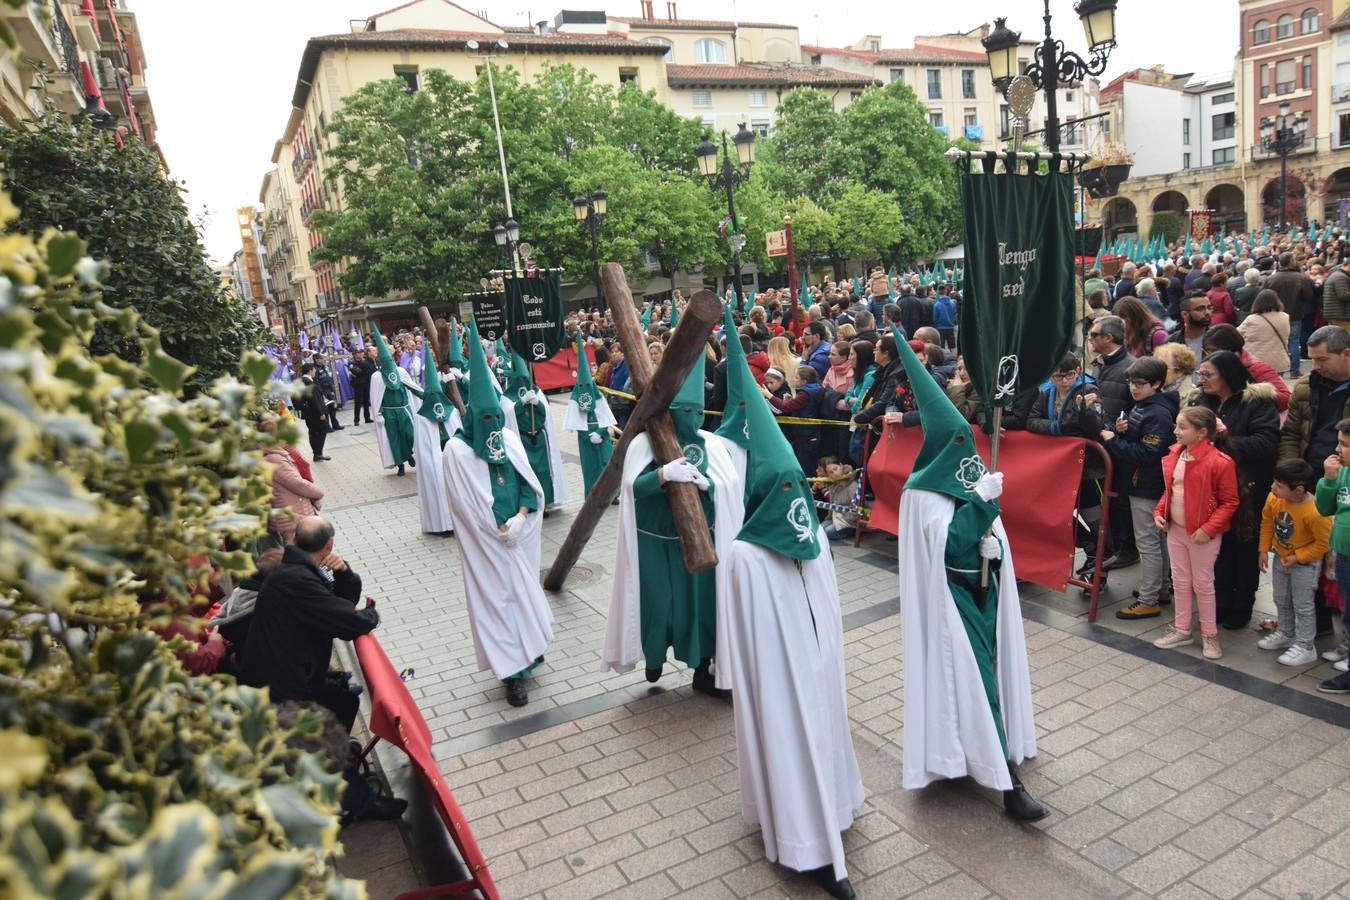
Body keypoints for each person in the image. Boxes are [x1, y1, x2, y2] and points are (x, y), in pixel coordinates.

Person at [717, 349, 863, 900]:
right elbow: (745, 635)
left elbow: (824, 602)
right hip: (777, 679)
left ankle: (837, 806)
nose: (793, 506)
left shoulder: (816, 543)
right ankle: (807, 842)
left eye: (796, 492)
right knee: (789, 742)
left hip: (818, 665)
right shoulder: (744, 556)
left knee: (825, 729)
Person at [893, 334, 1042, 821]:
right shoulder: (922, 491)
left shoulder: (967, 473)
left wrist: (995, 548)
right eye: (957, 442)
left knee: (988, 678)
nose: (966, 449)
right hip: (954, 601)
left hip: (988, 592)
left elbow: (988, 539)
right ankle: (1006, 784)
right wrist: (981, 503)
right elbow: (953, 543)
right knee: (976, 681)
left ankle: (972, 751)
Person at [243, 516, 405, 820]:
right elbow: (349, 622)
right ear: (329, 543)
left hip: (287, 675)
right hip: (283, 686)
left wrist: (343, 572)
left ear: (293, 540)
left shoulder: (296, 570)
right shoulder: (296, 580)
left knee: (344, 699)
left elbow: (336, 606)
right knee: (323, 736)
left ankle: (331, 761)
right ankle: (359, 801)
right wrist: (370, 615)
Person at [602, 355, 743, 696]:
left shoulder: (712, 444)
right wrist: (662, 475)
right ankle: (654, 658)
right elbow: (631, 487)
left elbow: (730, 486)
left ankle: (702, 668)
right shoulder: (644, 443)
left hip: (700, 542)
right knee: (658, 604)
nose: (692, 418)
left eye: (698, 411)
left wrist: (711, 486)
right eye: (685, 411)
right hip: (654, 542)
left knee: (701, 607)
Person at [440, 318, 553, 707]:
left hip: (516, 535)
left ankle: (530, 654)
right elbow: (462, 501)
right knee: (497, 602)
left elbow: (526, 481)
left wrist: (521, 518)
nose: (491, 425)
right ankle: (511, 673)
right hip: (486, 543)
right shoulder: (455, 450)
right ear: (471, 416)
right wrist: (494, 530)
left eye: (495, 418)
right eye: (483, 420)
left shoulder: (505, 437)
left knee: (522, 597)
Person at [1190, 351, 1281, 629]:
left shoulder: (1257, 402)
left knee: (1243, 546)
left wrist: (1223, 440)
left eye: (1208, 374)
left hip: (1247, 486)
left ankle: (1242, 605)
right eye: (1200, 374)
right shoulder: (1202, 401)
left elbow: (1265, 443)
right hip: (1211, 487)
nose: (1201, 380)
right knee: (1219, 547)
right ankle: (1220, 601)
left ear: (1227, 375)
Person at [1151, 407, 1240, 660]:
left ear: (1201, 433)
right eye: (1177, 426)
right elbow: (1171, 491)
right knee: (1179, 581)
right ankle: (1182, 629)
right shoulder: (1176, 455)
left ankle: (1210, 634)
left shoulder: (1220, 462)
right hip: (1176, 530)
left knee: (1203, 584)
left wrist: (1208, 529)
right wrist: (1160, 511)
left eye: (1182, 427)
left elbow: (1230, 502)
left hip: (1201, 534)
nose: (1175, 431)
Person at [1101, 357, 1180, 619]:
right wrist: (1121, 430)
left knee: (1148, 542)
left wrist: (1113, 440)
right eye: (1131, 383)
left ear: (1157, 384)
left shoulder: (1156, 412)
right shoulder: (1143, 406)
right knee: (1156, 540)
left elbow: (1149, 453)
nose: (1134, 388)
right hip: (1141, 482)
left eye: (1140, 383)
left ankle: (1149, 599)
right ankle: (1160, 590)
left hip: (1146, 484)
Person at [1257, 458, 1330, 666]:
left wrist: (1299, 557)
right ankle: (1286, 633)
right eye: (1274, 482)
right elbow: (1267, 523)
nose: (1273, 488)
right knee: (1280, 598)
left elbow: (1324, 543)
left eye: (1279, 486)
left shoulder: (1316, 511)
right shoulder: (1274, 499)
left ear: (1298, 490)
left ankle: (1306, 645)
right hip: (1281, 559)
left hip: (1304, 565)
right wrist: (1263, 550)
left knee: (1303, 605)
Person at [502, 349, 568, 512]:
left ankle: (546, 502)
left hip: (539, 438)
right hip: (522, 439)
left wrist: (538, 403)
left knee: (543, 471)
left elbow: (546, 414)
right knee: (527, 472)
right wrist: (520, 404)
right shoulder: (506, 396)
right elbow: (506, 416)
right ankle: (531, 504)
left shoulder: (536, 390)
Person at [1316, 420, 1350, 692]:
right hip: (1343, 555)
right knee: (1347, 612)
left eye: (1345, 445)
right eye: (1339, 442)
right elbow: (1325, 507)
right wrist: (1328, 480)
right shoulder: (1340, 472)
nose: (1338, 450)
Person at [562, 333, 616, 497]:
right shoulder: (576, 397)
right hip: (586, 438)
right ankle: (592, 494)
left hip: (602, 435)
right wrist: (587, 435)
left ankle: (612, 494)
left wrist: (599, 433)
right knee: (590, 467)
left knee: (607, 464)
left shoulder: (598, 396)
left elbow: (606, 418)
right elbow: (575, 422)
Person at [411, 344, 457, 534]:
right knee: (436, 489)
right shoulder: (421, 417)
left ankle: (456, 523)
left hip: (449, 455)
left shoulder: (452, 412)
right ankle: (439, 524)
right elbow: (421, 446)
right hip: (432, 459)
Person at [1201, 324, 1290, 412]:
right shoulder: (1210, 366)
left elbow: (1285, 399)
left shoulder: (1256, 368)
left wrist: (1251, 392)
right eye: (1206, 351)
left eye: (1213, 351)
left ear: (1230, 349)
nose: (1209, 356)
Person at [368, 329, 417, 477]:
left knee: (409, 434)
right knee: (394, 439)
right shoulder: (376, 377)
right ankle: (400, 464)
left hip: (403, 409)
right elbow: (375, 398)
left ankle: (410, 455)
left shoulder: (401, 372)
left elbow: (413, 387)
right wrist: (378, 414)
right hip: (388, 413)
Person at [263, 430, 324, 544]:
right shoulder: (275, 459)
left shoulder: (279, 456)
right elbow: (297, 483)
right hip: (293, 517)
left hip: (296, 514)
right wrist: (318, 493)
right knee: (301, 552)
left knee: (308, 552)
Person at [1267, 252, 1313, 376]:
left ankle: (1279, 370)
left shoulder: (1272, 278)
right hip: (1295, 314)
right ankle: (1294, 370)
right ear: (1291, 261)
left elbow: (1264, 296)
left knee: (1278, 342)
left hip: (1276, 315)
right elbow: (1308, 295)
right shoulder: (1301, 277)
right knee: (1293, 341)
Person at [1237, 290, 1291, 375]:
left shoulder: (1251, 319)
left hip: (1256, 361)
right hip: (1278, 360)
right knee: (1276, 386)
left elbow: (1236, 334)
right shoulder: (1285, 317)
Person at [298, 363, 331, 462]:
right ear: (310, 371)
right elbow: (314, 400)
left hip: (307, 412)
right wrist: (320, 413)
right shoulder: (308, 383)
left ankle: (316, 453)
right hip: (314, 413)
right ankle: (318, 453)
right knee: (322, 429)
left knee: (312, 432)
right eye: (314, 370)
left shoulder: (300, 381)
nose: (315, 371)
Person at [1168, 292, 1213, 360]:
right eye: (1200, 309)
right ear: (1185, 314)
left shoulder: (1218, 337)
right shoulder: (1171, 342)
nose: (1207, 312)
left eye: (1209, 308)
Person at [312, 354, 343, 432]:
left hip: (328, 390)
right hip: (323, 391)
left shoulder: (323, 367)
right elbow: (316, 382)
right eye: (321, 358)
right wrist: (321, 393)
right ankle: (327, 427)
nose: (323, 359)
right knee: (325, 411)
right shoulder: (314, 369)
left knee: (332, 409)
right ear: (316, 359)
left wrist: (331, 390)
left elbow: (327, 379)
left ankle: (335, 425)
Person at [349, 347, 375, 426]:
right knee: (358, 403)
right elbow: (357, 372)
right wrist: (359, 372)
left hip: (366, 384)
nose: (360, 354)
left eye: (361, 353)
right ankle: (356, 419)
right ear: (354, 354)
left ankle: (367, 417)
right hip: (358, 385)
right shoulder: (352, 364)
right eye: (358, 353)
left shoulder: (364, 362)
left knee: (366, 402)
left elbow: (366, 372)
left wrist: (359, 372)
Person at [932, 284, 957, 349]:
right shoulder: (953, 303)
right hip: (950, 327)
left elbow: (935, 318)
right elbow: (955, 314)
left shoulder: (936, 305)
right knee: (953, 346)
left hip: (940, 328)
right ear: (946, 291)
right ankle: (954, 358)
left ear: (938, 292)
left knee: (941, 346)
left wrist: (935, 326)